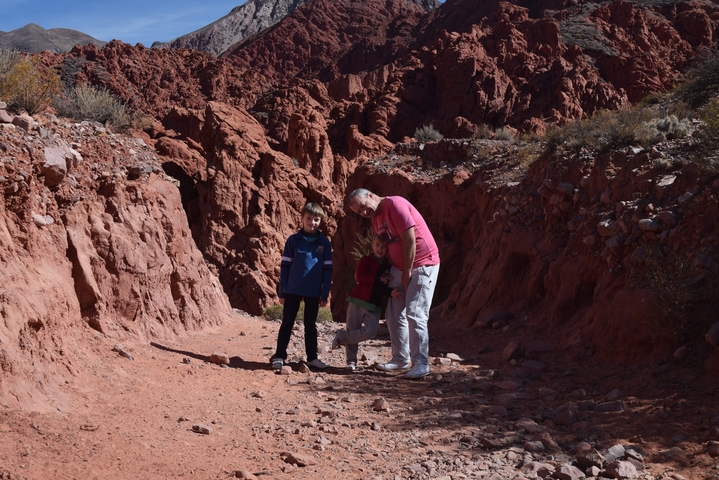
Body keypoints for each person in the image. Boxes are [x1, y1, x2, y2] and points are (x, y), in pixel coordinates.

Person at [346, 188, 440, 379]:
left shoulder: (395, 205)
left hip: (422, 264)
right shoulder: (375, 219)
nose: (364, 212)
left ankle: (421, 363)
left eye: (364, 207)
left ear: (371, 196)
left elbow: (410, 239)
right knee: (393, 314)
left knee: (415, 313)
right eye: (359, 212)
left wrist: (407, 271)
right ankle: (400, 359)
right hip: (398, 268)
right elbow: (388, 247)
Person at [271, 202, 333, 371]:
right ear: (302, 218)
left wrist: (325, 292)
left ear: (320, 221)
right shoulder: (293, 240)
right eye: (309, 218)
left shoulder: (324, 243)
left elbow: (328, 269)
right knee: (287, 323)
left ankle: (312, 357)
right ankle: (279, 356)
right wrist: (282, 291)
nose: (312, 222)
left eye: (316, 219)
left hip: (313, 291)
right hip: (292, 289)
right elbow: (285, 267)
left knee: (310, 325)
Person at [331, 234, 402, 371]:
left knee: (370, 332)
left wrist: (390, 293)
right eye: (377, 245)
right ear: (372, 245)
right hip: (357, 301)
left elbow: (384, 286)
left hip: (374, 305)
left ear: (388, 250)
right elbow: (360, 277)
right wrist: (378, 278)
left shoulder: (388, 267)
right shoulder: (365, 260)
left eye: (384, 247)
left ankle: (342, 336)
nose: (380, 249)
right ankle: (351, 361)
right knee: (353, 328)